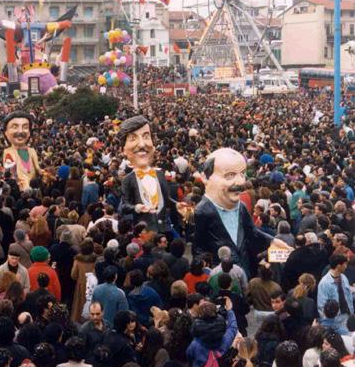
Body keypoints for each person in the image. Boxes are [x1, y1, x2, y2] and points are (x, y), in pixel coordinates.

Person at [193, 148, 290, 277]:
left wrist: (273, 242)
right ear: (206, 177)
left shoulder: (241, 207)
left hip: (245, 271)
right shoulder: (202, 211)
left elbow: (252, 232)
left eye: (242, 174)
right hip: (223, 278)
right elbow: (198, 248)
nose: (240, 182)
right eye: (230, 175)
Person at [118, 116, 174, 234]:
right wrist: (137, 208)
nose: (142, 144)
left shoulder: (160, 174)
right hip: (143, 232)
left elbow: (167, 200)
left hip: (163, 230)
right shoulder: (128, 179)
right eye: (133, 138)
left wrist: (180, 206)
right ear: (124, 149)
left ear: (153, 146)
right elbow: (124, 206)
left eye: (146, 136)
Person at [2, 111, 43, 192]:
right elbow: (9, 172)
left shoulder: (32, 151)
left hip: (33, 186)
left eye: (25, 127)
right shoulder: (7, 151)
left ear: (29, 132)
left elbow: (37, 168)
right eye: (14, 127)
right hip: (20, 187)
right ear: (6, 133)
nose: (20, 131)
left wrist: (45, 173)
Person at [317, 254, 353, 328]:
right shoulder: (324, 283)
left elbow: (348, 297)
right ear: (339, 266)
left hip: (348, 316)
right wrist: (329, 324)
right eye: (345, 264)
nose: (346, 267)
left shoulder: (344, 278)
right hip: (335, 321)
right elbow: (321, 306)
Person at [70, 240, 97, 322]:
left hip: (81, 285)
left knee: (79, 306)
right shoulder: (95, 259)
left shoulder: (78, 259)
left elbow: (73, 275)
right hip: (92, 285)